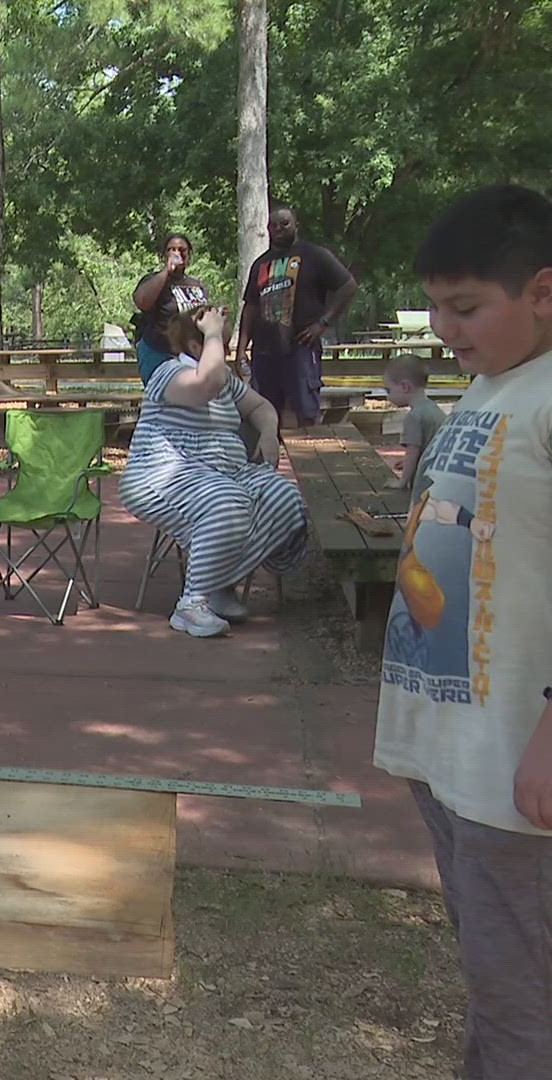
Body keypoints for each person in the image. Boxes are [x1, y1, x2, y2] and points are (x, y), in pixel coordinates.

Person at [374, 183, 552, 1080]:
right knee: (496, 980)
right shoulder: (491, 387)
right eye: (436, 304)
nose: (444, 326)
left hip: (516, 769)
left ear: (545, 293)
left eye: (467, 305)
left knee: (525, 1004)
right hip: (455, 754)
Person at [118, 306, 309, 638]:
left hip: (224, 472)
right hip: (163, 475)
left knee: (284, 496)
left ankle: (219, 583)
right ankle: (192, 605)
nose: (226, 348)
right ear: (196, 347)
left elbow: (260, 406)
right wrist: (210, 333)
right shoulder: (168, 373)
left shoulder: (226, 382)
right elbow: (206, 384)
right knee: (227, 502)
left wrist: (267, 432)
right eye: (220, 342)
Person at [233, 206, 359, 427]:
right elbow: (251, 306)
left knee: (306, 414)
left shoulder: (314, 255)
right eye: (273, 225)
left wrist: (323, 322)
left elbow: (348, 285)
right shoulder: (260, 264)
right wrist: (242, 348)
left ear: (296, 226)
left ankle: (312, 461)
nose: (279, 229)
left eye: (285, 223)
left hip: (300, 349)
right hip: (264, 352)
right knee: (262, 415)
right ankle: (267, 461)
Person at [131, 232, 212, 384]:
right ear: (164, 255)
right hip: (159, 351)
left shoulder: (196, 285)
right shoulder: (154, 280)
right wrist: (167, 272)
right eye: (171, 249)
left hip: (190, 355)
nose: (177, 253)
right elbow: (142, 302)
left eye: (182, 250)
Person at [382, 352, 446, 496]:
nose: (387, 396)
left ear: (405, 386)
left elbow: (413, 451)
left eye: (389, 390)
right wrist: (406, 461)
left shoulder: (414, 416)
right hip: (440, 477)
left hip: (425, 483)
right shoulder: (433, 409)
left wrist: (402, 481)